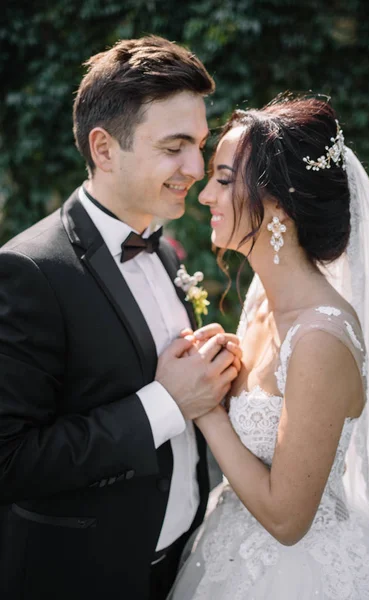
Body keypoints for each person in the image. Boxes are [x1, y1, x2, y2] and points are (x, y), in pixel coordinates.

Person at [0, 36, 242, 600]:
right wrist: (166, 404)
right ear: (104, 149)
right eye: (175, 146)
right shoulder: (27, 269)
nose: (196, 168)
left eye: (200, 145)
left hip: (181, 566)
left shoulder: (163, 248)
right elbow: (9, 460)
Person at [168, 96, 369, 599]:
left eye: (225, 180)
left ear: (279, 204)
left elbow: (288, 519)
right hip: (231, 548)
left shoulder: (320, 339)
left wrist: (205, 408)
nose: (204, 194)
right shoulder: (260, 305)